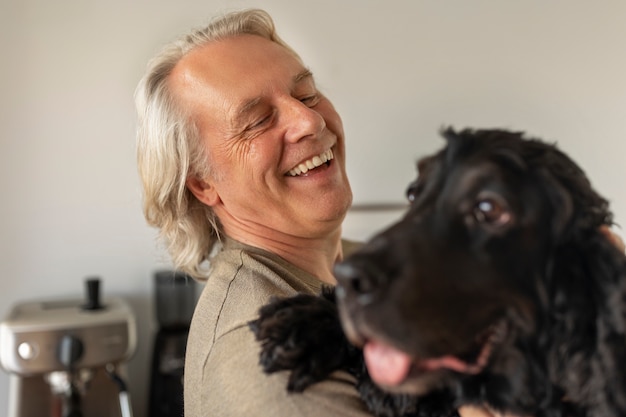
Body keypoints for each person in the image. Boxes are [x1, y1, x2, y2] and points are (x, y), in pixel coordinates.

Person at [137, 8, 625, 417]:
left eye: (306, 94)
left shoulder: (358, 264)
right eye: (258, 121)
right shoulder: (267, 367)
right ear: (203, 185)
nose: (308, 120)